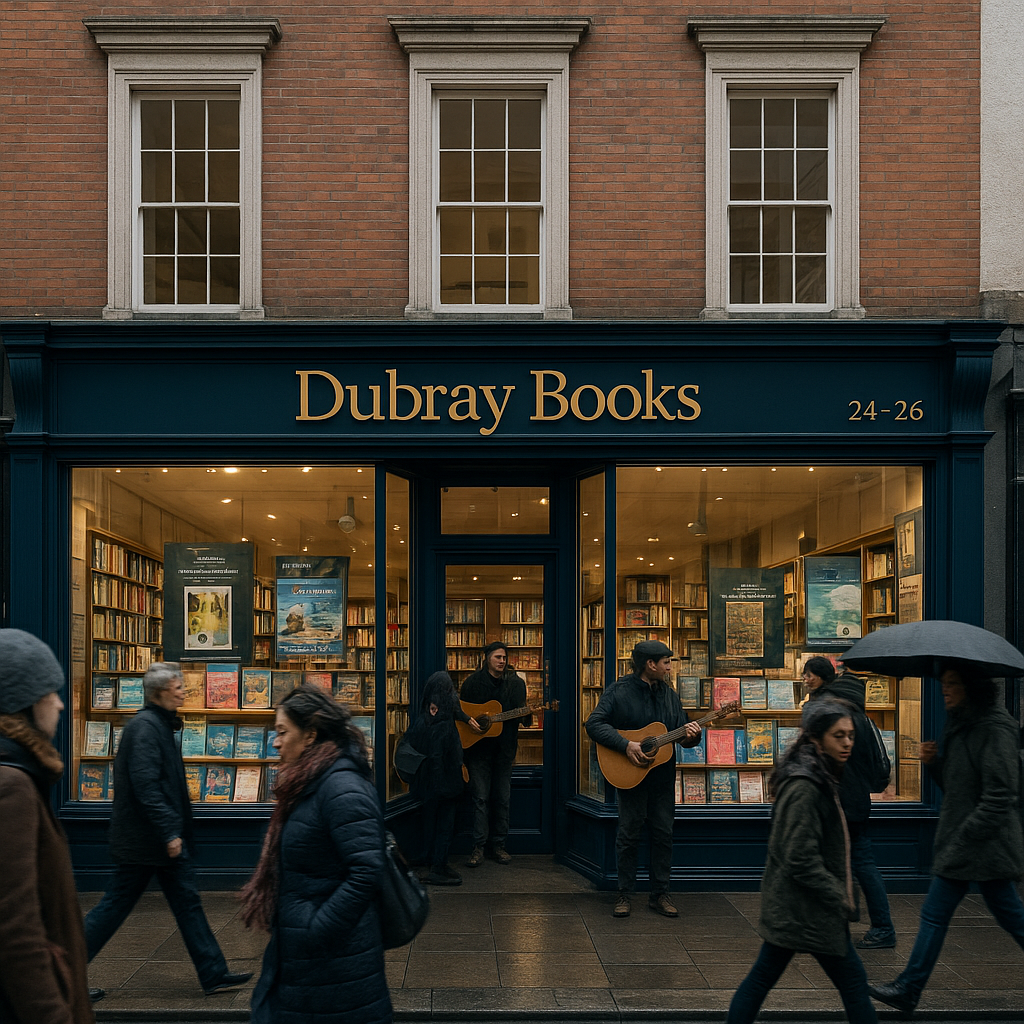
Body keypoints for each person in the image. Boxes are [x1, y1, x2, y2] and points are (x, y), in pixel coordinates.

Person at [84, 662, 251, 996]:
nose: (183, 692)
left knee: (186, 902)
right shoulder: (146, 728)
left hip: (155, 840)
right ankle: (63, 974)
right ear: (160, 692)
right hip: (147, 842)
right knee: (113, 907)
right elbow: (146, 786)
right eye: (178, 687)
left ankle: (213, 972)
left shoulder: (158, 724)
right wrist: (169, 832)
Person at [868, 665, 1024, 1015]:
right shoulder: (963, 723)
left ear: (973, 687)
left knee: (950, 914)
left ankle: (908, 988)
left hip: (985, 843)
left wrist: (962, 838)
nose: (945, 691)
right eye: (944, 684)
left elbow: (1000, 797)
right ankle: (908, 989)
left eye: (953, 684)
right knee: (998, 915)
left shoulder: (995, 728)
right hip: (969, 842)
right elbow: (958, 789)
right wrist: (935, 763)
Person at [241, 684, 392, 1024]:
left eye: (282, 732)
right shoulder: (308, 782)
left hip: (334, 962)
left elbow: (367, 868)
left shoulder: (341, 787)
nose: (275, 742)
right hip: (308, 963)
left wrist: (317, 929)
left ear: (309, 735)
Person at [727, 699, 878, 1024]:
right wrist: (837, 893)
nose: (848, 742)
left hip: (803, 908)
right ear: (815, 738)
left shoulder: (818, 774)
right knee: (851, 984)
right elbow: (798, 855)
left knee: (762, 980)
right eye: (839, 735)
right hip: (805, 909)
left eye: (851, 735)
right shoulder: (805, 786)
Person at [0, 628, 96, 1024]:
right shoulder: (12, 786)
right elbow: (16, 932)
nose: (59, 704)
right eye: (48, 694)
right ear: (21, 704)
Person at [585, 639, 702, 918]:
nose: (669, 668)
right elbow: (594, 724)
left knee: (664, 835)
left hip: (662, 778)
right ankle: (624, 893)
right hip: (632, 775)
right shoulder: (619, 691)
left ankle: (659, 894)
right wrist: (627, 745)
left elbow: (678, 734)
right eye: (666, 662)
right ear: (650, 664)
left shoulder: (670, 695)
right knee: (628, 835)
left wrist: (692, 737)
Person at [803, 656, 896, 949]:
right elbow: (876, 765)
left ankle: (872, 926)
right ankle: (879, 925)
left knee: (841, 862)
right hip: (856, 800)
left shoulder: (830, 717)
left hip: (835, 800)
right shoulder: (863, 718)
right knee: (861, 862)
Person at [460, 640, 529, 867]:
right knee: (480, 798)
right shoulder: (472, 683)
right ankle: (478, 847)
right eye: (498, 657)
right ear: (487, 658)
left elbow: (523, 718)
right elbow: (462, 713)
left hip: (504, 750)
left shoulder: (516, 684)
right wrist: (470, 723)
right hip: (478, 750)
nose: (502, 661)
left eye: (504, 658)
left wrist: (527, 714)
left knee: (502, 798)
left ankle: (498, 845)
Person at [404, 670, 468, 885]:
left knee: (430, 822)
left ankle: (429, 860)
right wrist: (448, 784)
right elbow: (439, 757)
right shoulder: (443, 723)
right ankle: (438, 867)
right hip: (445, 785)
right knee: (445, 826)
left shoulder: (423, 719)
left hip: (425, 784)